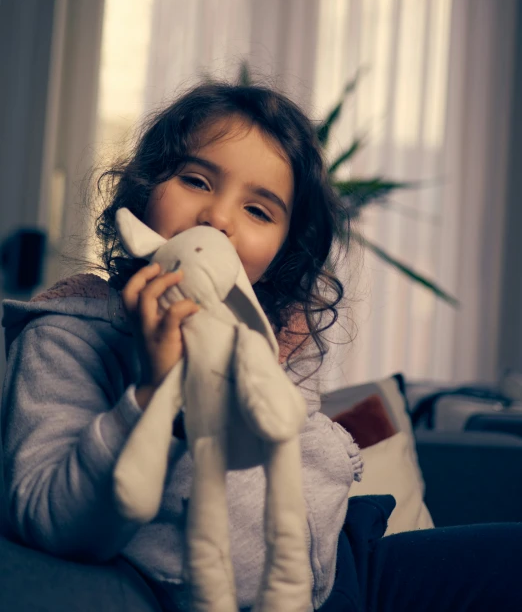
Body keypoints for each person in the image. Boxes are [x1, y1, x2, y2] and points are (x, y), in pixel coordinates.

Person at [1, 82, 522, 612]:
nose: (219, 219)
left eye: (259, 211)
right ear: (142, 192)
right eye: (196, 180)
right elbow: (49, 517)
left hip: (346, 564)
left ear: (280, 252)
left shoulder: (263, 339)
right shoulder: (65, 338)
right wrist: (153, 392)